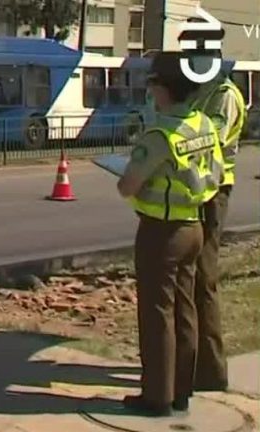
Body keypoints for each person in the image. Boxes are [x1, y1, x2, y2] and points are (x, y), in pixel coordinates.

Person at [117, 51, 224, 416]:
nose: (150, 92)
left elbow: (128, 186)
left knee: (157, 313)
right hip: (194, 225)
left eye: (152, 85)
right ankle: (181, 391)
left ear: (164, 89)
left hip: (161, 232)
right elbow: (217, 174)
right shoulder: (204, 125)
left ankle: (156, 397)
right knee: (186, 310)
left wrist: (132, 178)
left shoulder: (161, 134)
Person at [178, 22, 246, 393]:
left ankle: (211, 372)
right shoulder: (198, 91)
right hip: (194, 190)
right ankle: (188, 365)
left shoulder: (224, 94)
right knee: (188, 279)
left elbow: (207, 141)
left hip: (214, 191)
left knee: (205, 279)